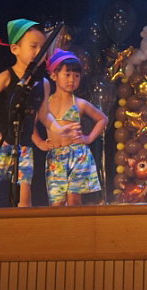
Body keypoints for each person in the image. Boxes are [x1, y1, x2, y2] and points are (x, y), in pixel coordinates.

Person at [0, 19, 76, 208]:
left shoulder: (44, 83)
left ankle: (23, 227)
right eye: (33, 46)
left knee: (24, 198)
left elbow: (44, 114)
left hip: (23, 146)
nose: (38, 51)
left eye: (42, 47)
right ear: (15, 49)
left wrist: (59, 128)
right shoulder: (7, 76)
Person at [32, 50, 107, 206]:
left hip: (77, 154)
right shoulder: (45, 104)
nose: (72, 79)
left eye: (76, 75)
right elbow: (29, 124)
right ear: (54, 76)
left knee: (74, 200)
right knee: (57, 203)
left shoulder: (79, 103)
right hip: (56, 156)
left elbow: (102, 119)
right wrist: (39, 142)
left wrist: (88, 138)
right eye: (67, 75)